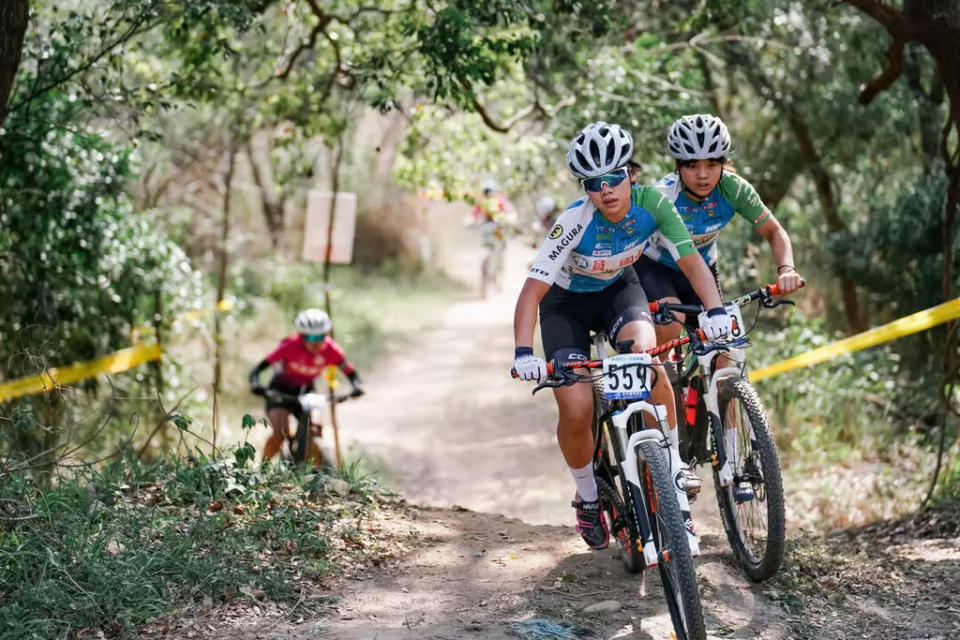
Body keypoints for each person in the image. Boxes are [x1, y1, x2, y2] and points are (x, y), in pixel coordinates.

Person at [512, 121, 731, 553]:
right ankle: (588, 497)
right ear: (585, 188)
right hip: (566, 306)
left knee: (648, 363)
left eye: (615, 177)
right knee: (575, 405)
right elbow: (531, 292)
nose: (607, 190)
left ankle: (669, 461)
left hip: (619, 291)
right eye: (594, 183)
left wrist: (716, 311)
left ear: (630, 173)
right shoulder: (573, 221)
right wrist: (523, 353)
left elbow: (689, 261)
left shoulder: (652, 205)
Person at [634, 114, 803, 501]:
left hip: (703, 272)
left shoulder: (733, 189)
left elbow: (774, 231)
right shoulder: (664, 196)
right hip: (657, 270)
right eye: (692, 164)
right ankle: (665, 440)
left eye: (712, 163)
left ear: (724, 163)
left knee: (726, 355)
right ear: (678, 167)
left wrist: (787, 268)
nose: (703, 173)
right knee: (670, 330)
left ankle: (731, 454)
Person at [249, 308, 364, 464]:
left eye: (320, 336)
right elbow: (258, 369)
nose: (316, 342)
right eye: (310, 336)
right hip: (280, 392)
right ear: (302, 336)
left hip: (307, 392)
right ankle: (261, 470)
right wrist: (255, 384)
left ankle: (316, 477)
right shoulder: (289, 346)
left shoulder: (332, 350)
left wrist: (357, 387)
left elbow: (351, 374)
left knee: (315, 431)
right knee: (280, 433)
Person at [472, 180, 517, 295]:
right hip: (487, 230)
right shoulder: (482, 202)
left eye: (490, 191)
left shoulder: (500, 200)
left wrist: (510, 218)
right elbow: (474, 214)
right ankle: (486, 276)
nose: (488, 193)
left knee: (500, 251)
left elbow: (510, 212)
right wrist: (470, 220)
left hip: (499, 229)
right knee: (486, 250)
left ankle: (498, 275)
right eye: (486, 191)